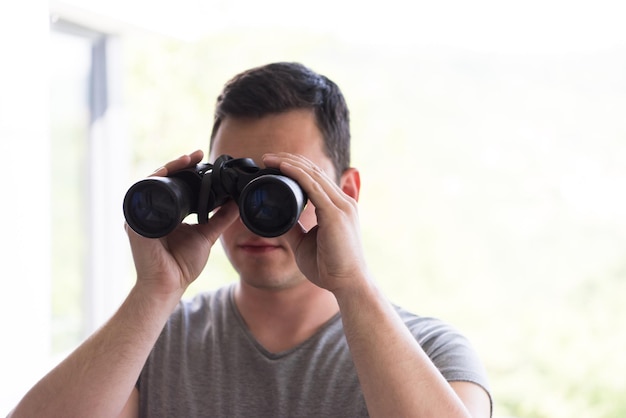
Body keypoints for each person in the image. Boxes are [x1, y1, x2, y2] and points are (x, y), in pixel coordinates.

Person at [9, 62, 492, 417]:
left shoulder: (433, 353)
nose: (253, 214)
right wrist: (153, 293)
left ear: (345, 194)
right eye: (231, 185)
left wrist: (351, 282)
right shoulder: (154, 342)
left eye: (280, 188)